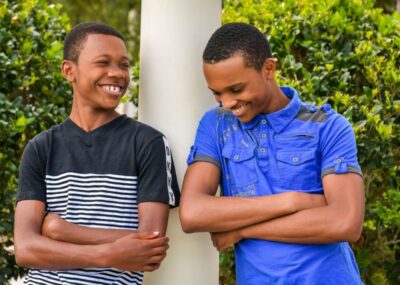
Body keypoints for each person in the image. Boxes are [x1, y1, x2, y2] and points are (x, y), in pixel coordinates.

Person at [180, 22, 365, 285]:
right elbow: (193, 212)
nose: (227, 103)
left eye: (236, 89)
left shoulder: (328, 126)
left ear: (269, 69)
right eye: (217, 93)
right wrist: (291, 201)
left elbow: (345, 222)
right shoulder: (216, 125)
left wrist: (242, 229)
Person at [14, 22, 180, 285]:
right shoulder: (41, 148)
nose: (117, 73)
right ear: (70, 71)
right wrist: (106, 254)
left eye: (124, 65)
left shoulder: (148, 143)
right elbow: (25, 249)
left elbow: (150, 247)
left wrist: (62, 230)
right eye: (103, 63)